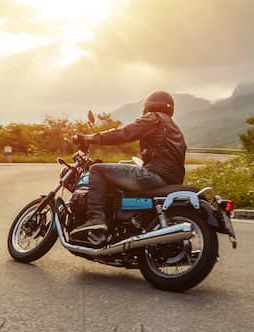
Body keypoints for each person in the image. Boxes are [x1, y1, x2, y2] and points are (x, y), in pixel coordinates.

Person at [70, 90, 187, 242]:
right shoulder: (174, 127)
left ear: (149, 106)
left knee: (97, 170)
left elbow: (124, 133)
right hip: (171, 179)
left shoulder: (154, 118)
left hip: (155, 174)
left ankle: (96, 219)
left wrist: (89, 138)